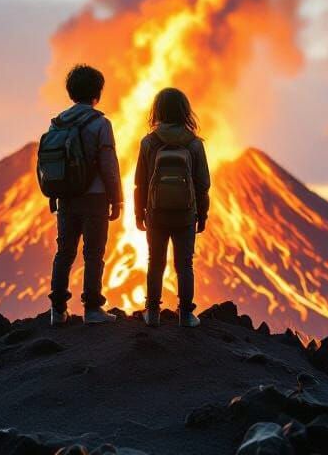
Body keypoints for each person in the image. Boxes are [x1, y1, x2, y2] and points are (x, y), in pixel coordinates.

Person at [47, 64, 123, 326]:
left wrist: (55, 194)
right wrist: (117, 198)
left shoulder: (57, 123)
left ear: (71, 92)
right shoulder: (100, 124)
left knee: (64, 252)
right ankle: (92, 309)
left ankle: (58, 311)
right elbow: (109, 165)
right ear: (97, 93)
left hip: (66, 198)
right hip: (95, 197)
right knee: (93, 253)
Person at [134, 87, 210, 328]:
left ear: (157, 111)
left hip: (156, 213)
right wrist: (202, 214)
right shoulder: (194, 144)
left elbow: (140, 182)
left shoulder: (149, 142)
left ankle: (153, 313)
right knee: (184, 264)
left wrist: (139, 213)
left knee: (155, 262)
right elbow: (203, 184)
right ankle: (186, 315)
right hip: (186, 214)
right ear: (184, 111)